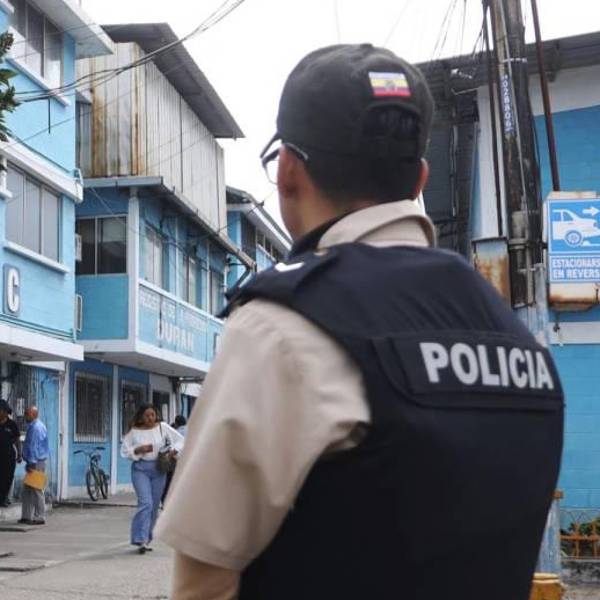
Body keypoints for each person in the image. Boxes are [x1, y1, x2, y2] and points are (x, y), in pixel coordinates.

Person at [156, 44, 564, 600]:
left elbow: (204, 582)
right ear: (419, 179)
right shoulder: (520, 343)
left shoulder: (282, 327)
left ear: (288, 171)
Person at [121, 404, 183, 554]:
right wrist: (138, 450)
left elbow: (181, 440)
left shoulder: (163, 427)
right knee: (145, 503)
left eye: (153, 415)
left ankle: (147, 538)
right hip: (140, 469)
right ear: (141, 416)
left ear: (156, 416)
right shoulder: (134, 431)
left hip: (159, 469)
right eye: (147, 415)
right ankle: (140, 539)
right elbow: (124, 450)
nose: (150, 418)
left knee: (154, 505)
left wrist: (173, 451)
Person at [19, 406, 49, 525]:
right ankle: (26, 516)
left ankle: (40, 517)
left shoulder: (36, 428)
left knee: (36, 490)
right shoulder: (35, 426)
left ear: (33, 414)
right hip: (35, 461)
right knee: (27, 490)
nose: (25, 415)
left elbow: (34, 446)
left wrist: (31, 462)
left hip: (36, 462)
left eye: (27, 413)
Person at [161, 415, 187, 507]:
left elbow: (170, 447)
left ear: (176, 423)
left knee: (169, 481)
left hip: (175, 461)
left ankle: (165, 502)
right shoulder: (190, 430)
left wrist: (167, 456)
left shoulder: (176, 433)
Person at [0, 400, 21, 507]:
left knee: (7, 478)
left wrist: (20, 455)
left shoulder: (12, 424)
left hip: (9, 457)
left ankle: (3, 499)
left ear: (4, 412)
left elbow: (18, 440)